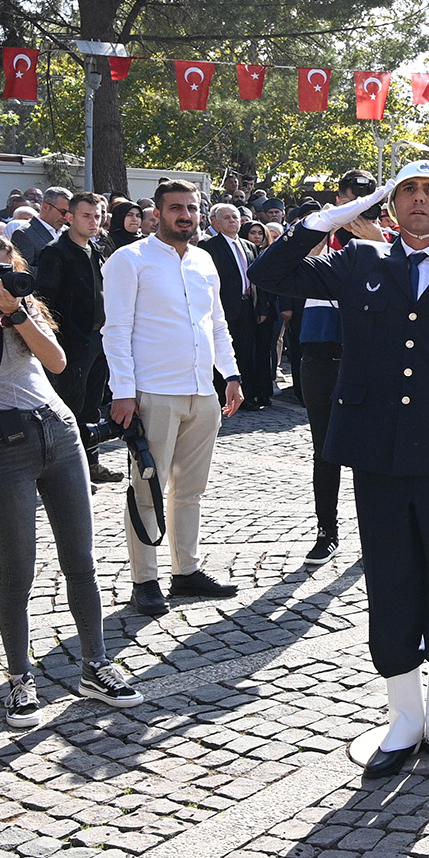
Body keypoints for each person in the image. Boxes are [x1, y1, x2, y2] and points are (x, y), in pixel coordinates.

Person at [250, 159, 429, 778]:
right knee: (391, 578)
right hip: (379, 450)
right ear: (389, 205)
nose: (419, 202)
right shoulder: (358, 264)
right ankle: (402, 715)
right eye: (407, 192)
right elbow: (271, 273)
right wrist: (329, 218)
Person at [0, 228, 144, 724]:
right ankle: (21, 680)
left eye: (10, 268)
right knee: (19, 569)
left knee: (81, 560)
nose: (5, 278)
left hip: (60, 433)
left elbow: (58, 360)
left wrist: (15, 310)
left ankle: (96, 665)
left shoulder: (21, 302)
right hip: (0, 445)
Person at [101, 180, 243, 617]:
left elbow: (216, 323)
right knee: (146, 487)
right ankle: (145, 580)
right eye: (176, 208)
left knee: (191, 490)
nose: (186, 215)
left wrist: (232, 374)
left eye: (192, 208)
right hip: (152, 392)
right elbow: (116, 330)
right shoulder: (130, 260)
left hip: (202, 390)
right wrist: (123, 392)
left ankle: (186, 572)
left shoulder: (203, 260)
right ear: (157, 213)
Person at [285, 199, 390, 565]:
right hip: (319, 356)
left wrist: (378, 240)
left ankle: (375, 534)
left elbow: (407, 284)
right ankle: (326, 531)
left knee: (370, 454)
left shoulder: (385, 246)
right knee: (325, 451)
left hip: (365, 358)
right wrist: (325, 225)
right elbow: (289, 266)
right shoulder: (323, 243)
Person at [32, 192, 123, 483]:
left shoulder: (96, 250)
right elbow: (46, 301)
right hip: (71, 343)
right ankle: (66, 474)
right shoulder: (56, 252)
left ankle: (90, 463)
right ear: (69, 217)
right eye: (86, 215)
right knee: (69, 405)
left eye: (97, 216)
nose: (93, 221)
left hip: (98, 339)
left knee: (91, 406)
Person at [202, 203, 266, 410]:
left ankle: (243, 397)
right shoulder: (209, 247)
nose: (232, 221)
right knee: (222, 352)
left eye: (235, 217)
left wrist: (261, 307)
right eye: (227, 218)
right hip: (223, 307)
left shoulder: (249, 246)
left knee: (245, 353)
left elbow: (257, 279)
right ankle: (221, 397)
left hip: (247, 307)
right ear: (216, 222)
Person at [10, 187, 72, 265]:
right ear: (46, 207)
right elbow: (22, 270)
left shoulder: (69, 232)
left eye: (70, 213)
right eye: (63, 212)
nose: (66, 217)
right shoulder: (24, 234)